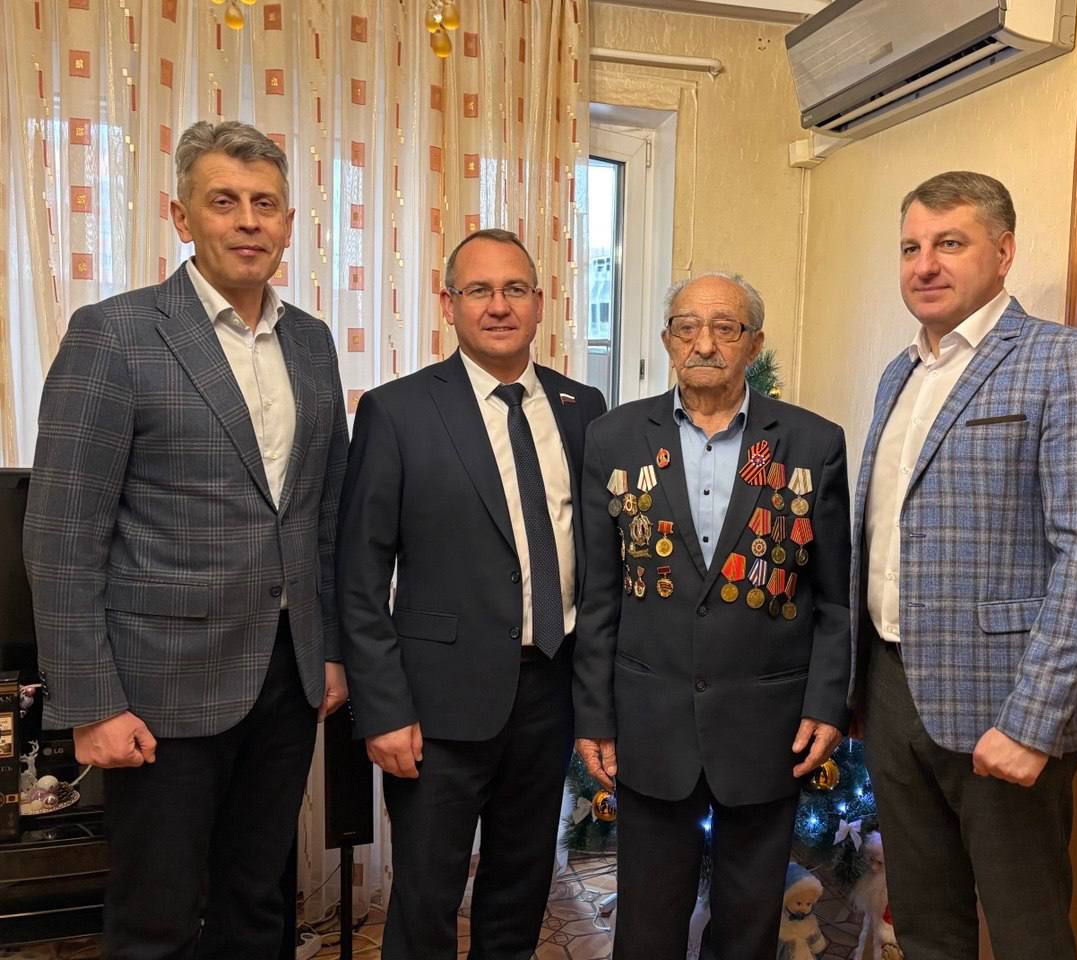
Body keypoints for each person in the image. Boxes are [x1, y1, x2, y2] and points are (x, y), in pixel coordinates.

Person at [24, 120, 349, 959]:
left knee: (259, 905)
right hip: (158, 689)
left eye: (265, 204)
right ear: (181, 216)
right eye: (224, 201)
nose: (247, 221)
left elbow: (322, 515)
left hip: (285, 678)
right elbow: (62, 534)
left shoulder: (312, 342)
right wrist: (92, 705)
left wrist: (330, 652)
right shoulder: (114, 334)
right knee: (157, 920)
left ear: (287, 224)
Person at [850, 170, 1077, 960]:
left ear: (1003, 253)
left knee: (1026, 932)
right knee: (924, 926)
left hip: (1005, 704)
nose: (924, 265)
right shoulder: (900, 373)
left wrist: (1031, 722)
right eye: (910, 247)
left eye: (949, 243)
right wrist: (859, 688)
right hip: (894, 691)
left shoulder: (1066, 361)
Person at [337, 228, 606, 959]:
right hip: (437, 705)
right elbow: (359, 577)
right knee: (426, 897)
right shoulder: (397, 411)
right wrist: (383, 710)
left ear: (541, 303)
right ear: (448, 303)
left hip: (550, 692)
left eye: (515, 289)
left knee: (521, 886)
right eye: (479, 290)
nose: (498, 306)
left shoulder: (582, 407)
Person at [574, 272, 852, 960]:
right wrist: (595, 717)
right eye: (687, 327)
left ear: (753, 344)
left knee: (748, 928)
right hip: (650, 723)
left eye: (725, 328)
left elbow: (832, 597)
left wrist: (827, 704)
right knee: (647, 928)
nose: (705, 343)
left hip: (767, 727)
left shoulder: (812, 443)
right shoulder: (613, 439)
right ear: (667, 340)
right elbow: (600, 595)